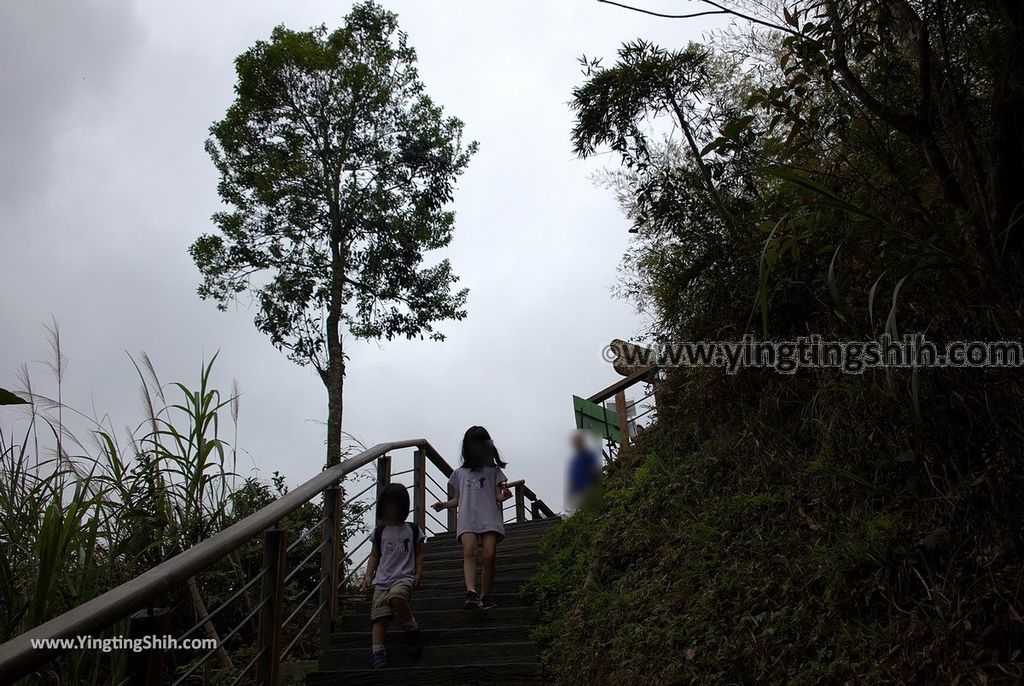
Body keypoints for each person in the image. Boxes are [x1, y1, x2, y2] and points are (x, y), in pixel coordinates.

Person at [432, 425, 512, 610]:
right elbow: (459, 499)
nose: (477, 447)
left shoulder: (493, 471)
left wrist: (504, 495)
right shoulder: (460, 473)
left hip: (489, 516)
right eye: (474, 444)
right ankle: (471, 592)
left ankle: (485, 595)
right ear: (467, 447)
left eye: (480, 443)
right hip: (468, 517)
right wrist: (444, 505)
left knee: (489, 555)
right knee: (469, 551)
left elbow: (497, 496)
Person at [361, 483, 425, 669]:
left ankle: (411, 627)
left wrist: (419, 573)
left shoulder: (412, 529)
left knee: (397, 597)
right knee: (379, 617)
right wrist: (368, 576)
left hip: (404, 577)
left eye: (395, 505)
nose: (391, 509)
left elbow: (419, 553)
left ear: (403, 507)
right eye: (387, 505)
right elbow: (374, 556)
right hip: (381, 581)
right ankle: (378, 651)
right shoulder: (380, 531)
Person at [566, 430, 601, 510]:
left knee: (591, 508)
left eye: (578, 442)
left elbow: (594, 469)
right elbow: (573, 476)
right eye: (575, 443)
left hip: (588, 488)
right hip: (579, 491)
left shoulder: (588, 455)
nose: (577, 445)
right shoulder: (574, 460)